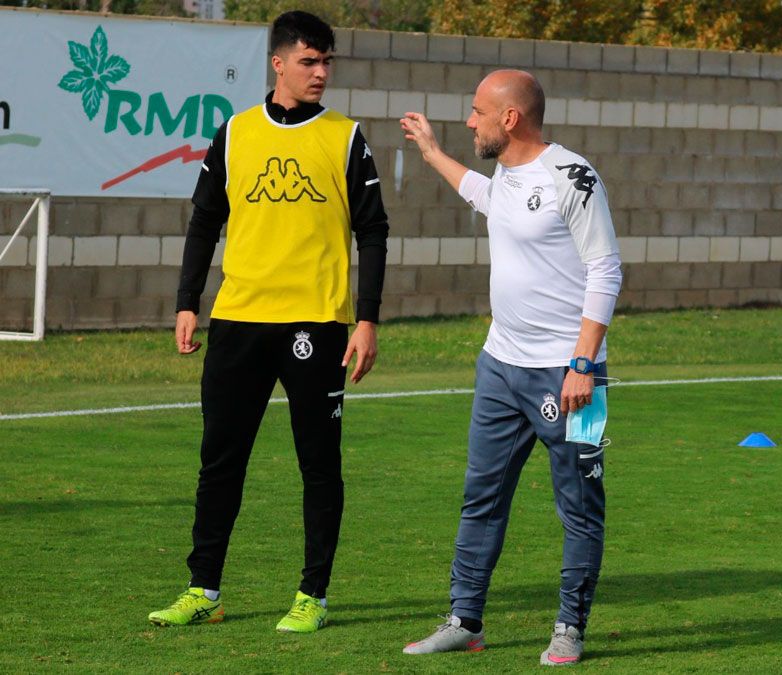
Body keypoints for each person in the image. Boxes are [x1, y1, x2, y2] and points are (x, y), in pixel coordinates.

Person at [147, 10, 389, 633]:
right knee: (220, 460)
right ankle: (203, 589)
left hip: (316, 323)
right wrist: (186, 301)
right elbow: (204, 221)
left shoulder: (346, 135)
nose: (320, 73)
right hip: (238, 321)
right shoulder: (234, 134)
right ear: (278, 63)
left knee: (319, 463)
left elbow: (373, 231)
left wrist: (367, 320)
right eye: (309, 62)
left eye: (327, 62)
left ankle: (313, 594)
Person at [398, 69, 622, 667]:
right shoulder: (506, 173)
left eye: (476, 111)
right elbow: (486, 196)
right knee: (481, 496)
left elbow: (606, 270)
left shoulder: (573, 176)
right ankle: (464, 620)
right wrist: (432, 153)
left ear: (510, 119)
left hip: (574, 377)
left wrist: (582, 364)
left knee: (580, 506)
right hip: (500, 368)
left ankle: (570, 628)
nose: (470, 120)